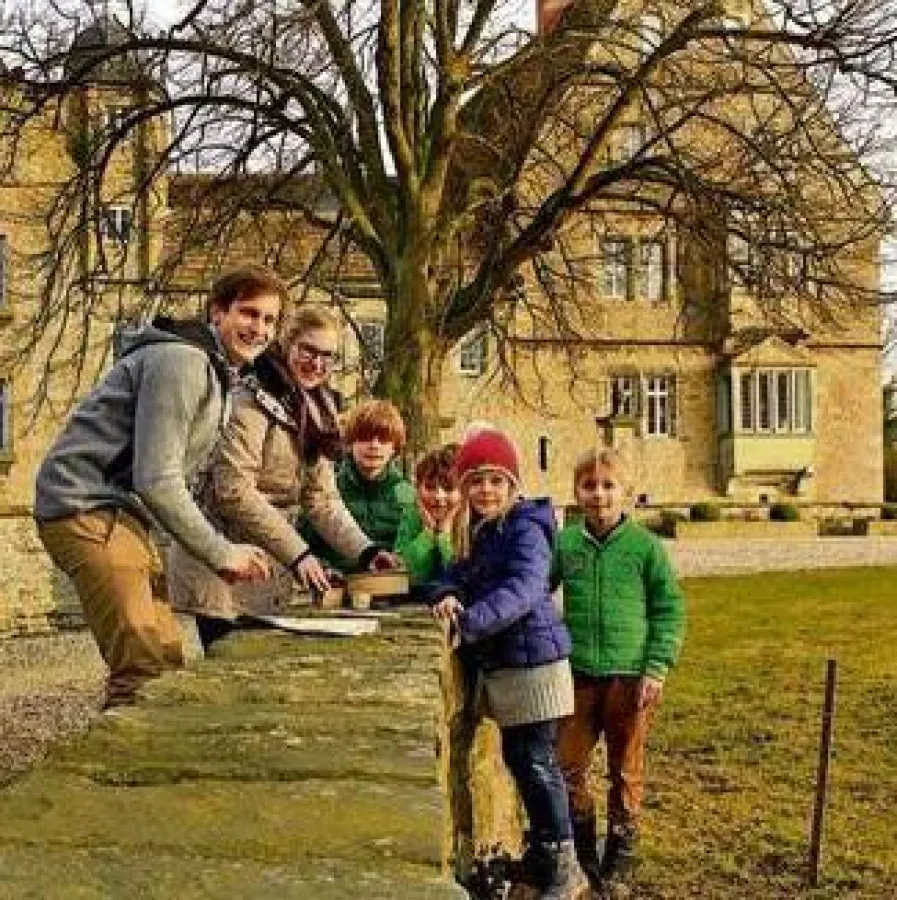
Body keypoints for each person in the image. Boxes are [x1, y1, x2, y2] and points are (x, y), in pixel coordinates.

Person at [34, 266, 286, 709]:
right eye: (249, 313)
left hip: (121, 516)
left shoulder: (216, 372)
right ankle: (121, 776)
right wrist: (221, 551)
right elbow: (158, 479)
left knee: (167, 663)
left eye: (269, 320)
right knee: (142, 668)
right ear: (217, 313)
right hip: (86, 508)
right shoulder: (183, 363)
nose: (259, 329)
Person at [167, 307, 396, 650]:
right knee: (227, 671)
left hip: (268, 567)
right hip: (222, 563)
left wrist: (366, 552)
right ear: (287, 344)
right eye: (308, 350)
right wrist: (300, 554)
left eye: (327, 356)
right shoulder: (248, 401)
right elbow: (234, 491)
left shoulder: (319, 412)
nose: (317, 364)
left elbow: (322, 499)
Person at [428, 426, 588, 900]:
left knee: (538, 763)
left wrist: (468, 622)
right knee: (523, 759)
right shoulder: (480, 530)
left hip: (534, 664)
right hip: (512, 664)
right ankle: (544, 854)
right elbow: (453, 574)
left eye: (496, 480)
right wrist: (447, 593)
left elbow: (523, 590)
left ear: (513, 484)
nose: (485, 490)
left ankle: (565, 868)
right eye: (475, 481)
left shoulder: (526, 529)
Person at [553, 448, 686, 891]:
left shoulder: (644, 548)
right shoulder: (566, 543)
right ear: (576, 491)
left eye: (608, 486)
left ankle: (622, 852)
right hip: (578, 675)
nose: (599, 496)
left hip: (630, 679)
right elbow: (536, 590)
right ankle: (584, 849)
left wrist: (656, 667)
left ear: (625, 492)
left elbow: (669, 610)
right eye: (589, 486)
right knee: (568, 765)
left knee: (625, 768)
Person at [299, 398, 414, 572]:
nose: (374, 446)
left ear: (394, 448)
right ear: (350, 442)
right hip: (336, 586)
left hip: (390, 585)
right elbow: (304, 543)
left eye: (383, 440)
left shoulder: (406, 492)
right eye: (365, 438)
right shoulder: (327, 489)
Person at [394, 443, 460, 591]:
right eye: (430, 487)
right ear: (418, 488)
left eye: (448, 488)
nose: (439, 496)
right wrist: (428, 535)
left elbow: (460, 574)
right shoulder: (412, 513)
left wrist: (444, 534)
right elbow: (405, 574)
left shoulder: (471, 518)